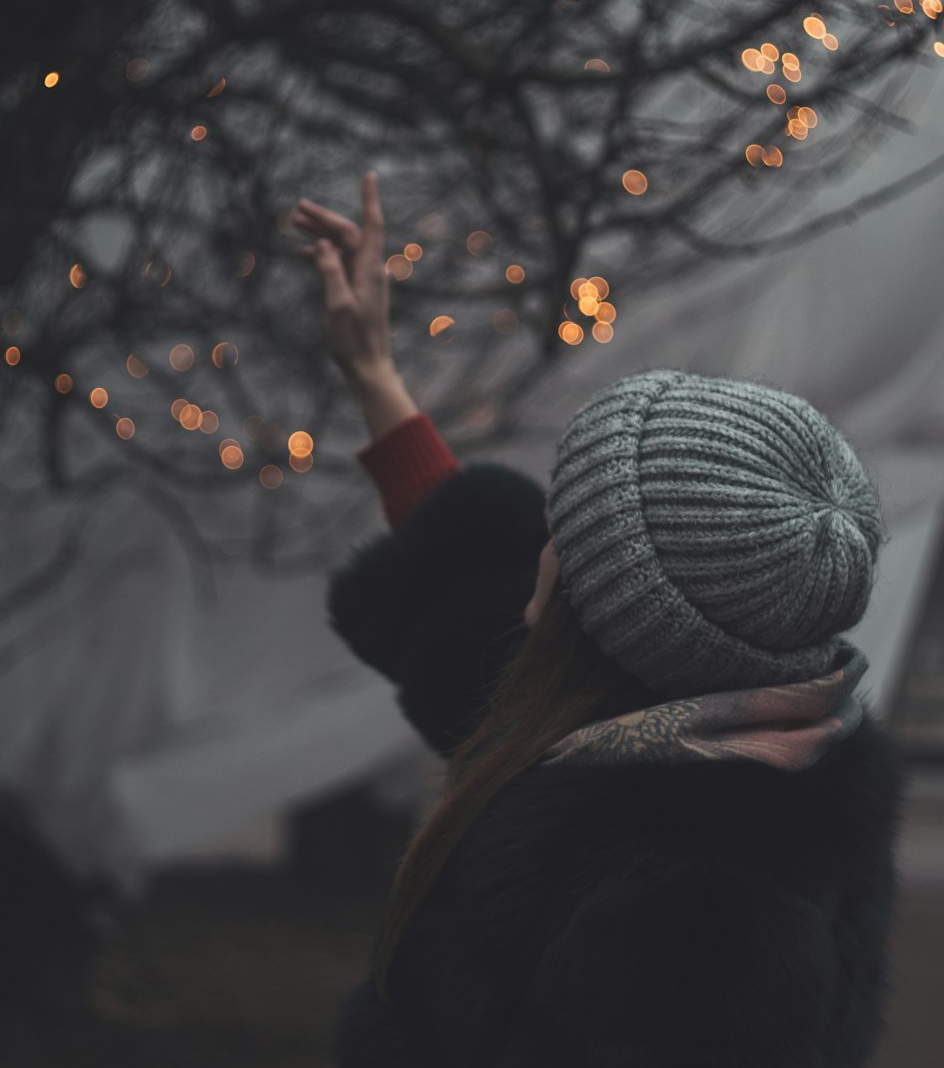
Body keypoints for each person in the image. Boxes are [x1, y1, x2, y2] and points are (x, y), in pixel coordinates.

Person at [295, 173, 909, 1068]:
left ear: (618, 612)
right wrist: (372, 371)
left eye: (571, 536)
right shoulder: (666, 712)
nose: (541, 545)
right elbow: (470, 595)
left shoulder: (706, 927)